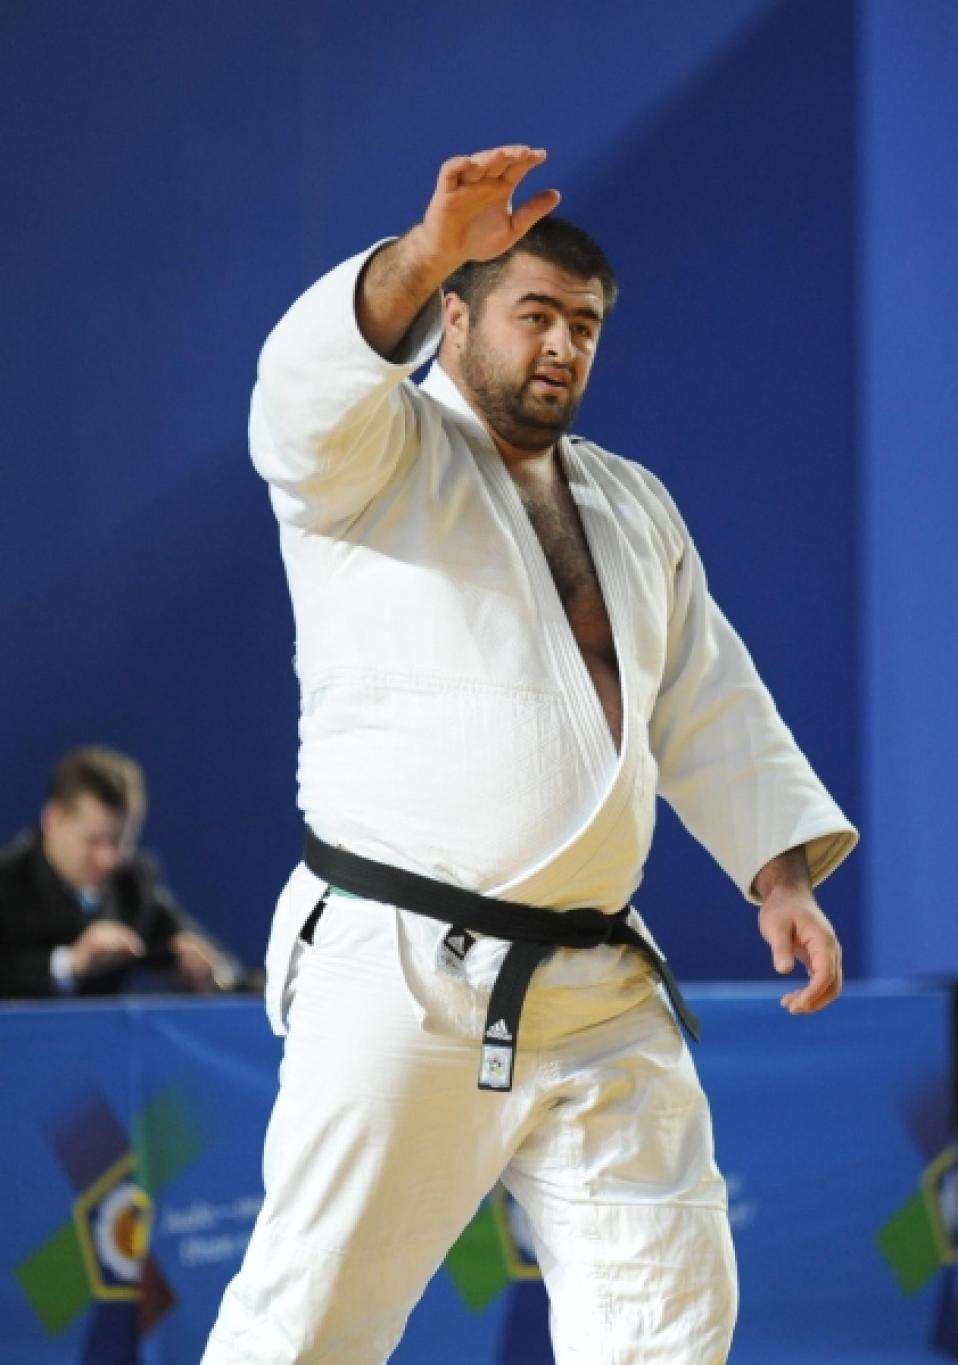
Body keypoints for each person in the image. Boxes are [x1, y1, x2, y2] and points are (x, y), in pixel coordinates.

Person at [203, 145, 858, 1364]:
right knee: (312, 1322)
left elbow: (703, 694)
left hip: (597, 982)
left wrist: (779, 874)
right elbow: (293, 399)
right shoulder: (374, 459)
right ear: (453, 318)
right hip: (404, 971)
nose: (561, 345)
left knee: (667, 1322)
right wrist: (419, 253)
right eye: (535, 314)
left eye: (584, 326)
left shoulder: (630, 501)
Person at [0, 745, 241, 997]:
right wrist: (70, 963)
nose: (109, 859)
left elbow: (214, 961)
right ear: (53, 820)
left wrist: (206, 972)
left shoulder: (133, 882)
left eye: (121, 842)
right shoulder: (6, 879)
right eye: (93, 841)